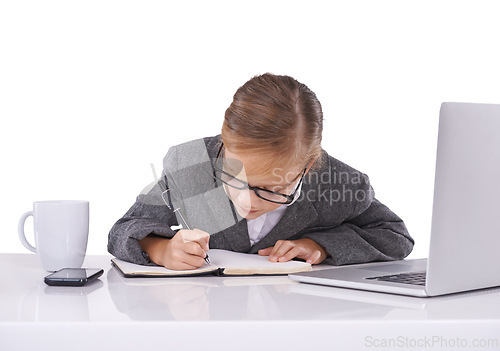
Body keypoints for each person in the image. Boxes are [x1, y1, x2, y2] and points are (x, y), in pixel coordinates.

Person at [108, 73, 414, 270]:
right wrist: (160, 249)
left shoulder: (341, 185)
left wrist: (320, 246)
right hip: (205, 320)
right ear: (223, 149)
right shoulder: (193, 166)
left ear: (306, 169)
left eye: (272, 189)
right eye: (233, 179)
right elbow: (123, 230)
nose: (247, 202)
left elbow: (395, 236)